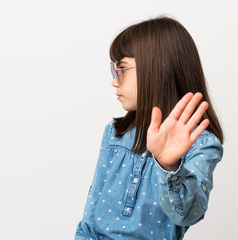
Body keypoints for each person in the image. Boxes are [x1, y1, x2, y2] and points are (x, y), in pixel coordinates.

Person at [74, 15, 224, 240]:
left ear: (156, 69)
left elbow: (188, 214)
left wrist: (168, 165)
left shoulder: (201, 144)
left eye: (122, 69)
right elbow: (90, 217)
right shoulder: (115, 133)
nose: (115, 80)